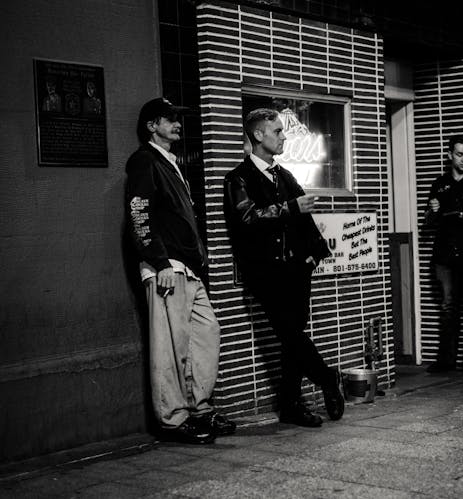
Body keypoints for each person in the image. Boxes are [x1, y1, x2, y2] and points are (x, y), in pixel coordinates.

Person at [223, 108, 344, 428]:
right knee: (290, 333)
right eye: (277, 131)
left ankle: (292, 405)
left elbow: (306, 221)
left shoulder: (285, 175)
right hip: (265, 274)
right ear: (258, 135)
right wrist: (291, 207)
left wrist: (313, 257)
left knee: (292, 339)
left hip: (295, 272)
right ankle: (330, 378)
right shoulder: (238, 178)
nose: (283, 136)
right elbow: (247, 219)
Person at [125, 97, 235, 444]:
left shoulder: (169, 163)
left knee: (206, 333)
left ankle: (199, 407)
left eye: (177, 118)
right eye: (169, 119)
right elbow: (139, 214)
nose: (177, 124)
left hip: (188, 269)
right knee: (169, 347)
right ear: (151, 126)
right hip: (167, 268)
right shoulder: (145, 160)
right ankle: (173, 420)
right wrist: (159, 263)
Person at [423, 134, 463, 377]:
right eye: (459, 154)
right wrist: (433, 211)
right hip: (445, 255)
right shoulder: (439, 184)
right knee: (449, 307)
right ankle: (446, 361)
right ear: (450, 154)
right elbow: (428, 222)